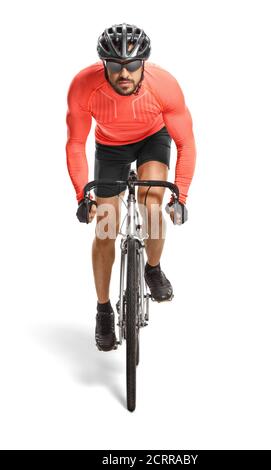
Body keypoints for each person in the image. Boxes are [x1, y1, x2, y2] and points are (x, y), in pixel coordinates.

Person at [66, 23, 197, 352]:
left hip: (152, 140)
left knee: (151, 206)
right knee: (105, 228)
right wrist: (83, 195)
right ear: (104, 64)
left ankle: (152, 269)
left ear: (144, 64)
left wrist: (180, 195)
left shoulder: (164, 86)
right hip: (110, 146)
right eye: (115, 66)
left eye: (132, 66)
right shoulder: (84, 86)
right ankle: (103, 310)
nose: (124, 73)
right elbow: (74, 144)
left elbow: (186, 144)